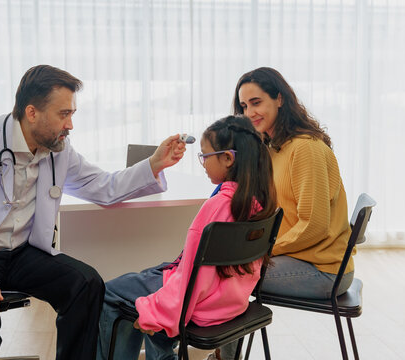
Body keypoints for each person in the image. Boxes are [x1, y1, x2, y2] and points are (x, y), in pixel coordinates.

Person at [0, 64, 187, 360]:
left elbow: (103, 186)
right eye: (63, 114)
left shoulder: (59, 150)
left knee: (86, 284)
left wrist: (154, 164)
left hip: (21, 255)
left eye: (72, 114)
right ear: (32, 113)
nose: (70, 125)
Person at [96, 115, 278, 360]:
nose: (202, 164)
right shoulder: (260, 204)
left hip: (200, 304)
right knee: (152, 276)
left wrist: (157, 311)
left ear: (227, 158)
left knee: (109, 292)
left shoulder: (217, 207)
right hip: (230, 302)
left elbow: (192, 278)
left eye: (205, 156)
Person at [213, 67, 354, 359]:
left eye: (256, 102)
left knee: (227, 275)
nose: (249, 112)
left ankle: (223, 358)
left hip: (323, 269)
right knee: (224, 265)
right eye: (243, 106)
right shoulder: (274, 146)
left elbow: (314, 225)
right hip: (303, 258)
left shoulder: (305, 149)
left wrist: (261, 251)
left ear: (279, 99)